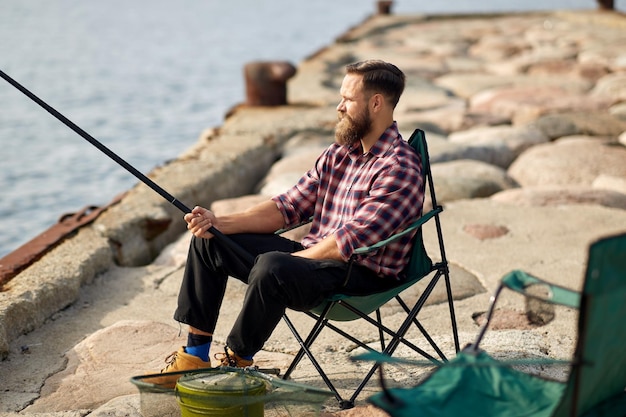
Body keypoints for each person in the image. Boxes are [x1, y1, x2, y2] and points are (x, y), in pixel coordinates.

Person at [154, 59, 425, 387]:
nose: (339, 107)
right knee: (209, 240)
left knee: (272, 267)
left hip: (360, 276)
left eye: (347, 100)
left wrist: (290, 262)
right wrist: (219, 223)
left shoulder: (399, 167)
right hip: (316, 263)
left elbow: (349, 242)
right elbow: (287, 207)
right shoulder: (339, 154)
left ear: (376, 103)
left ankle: (237, 363)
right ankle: (194, 357)